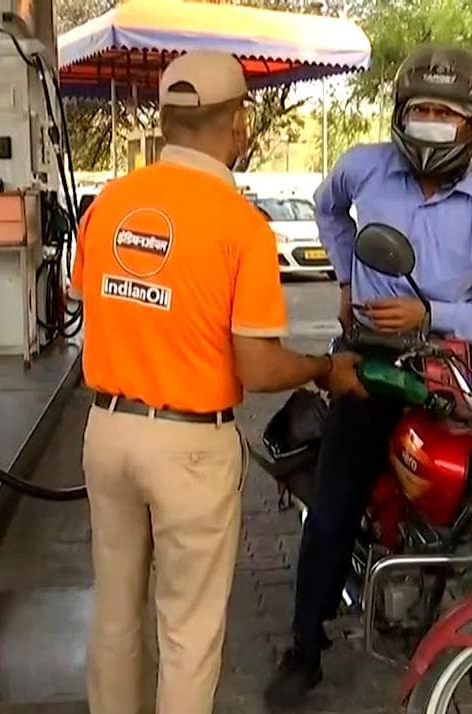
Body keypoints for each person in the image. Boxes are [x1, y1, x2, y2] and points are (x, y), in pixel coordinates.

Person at [70, 51, 366, 714]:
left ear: (168, 119)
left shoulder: (109, 204)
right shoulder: (240, 226)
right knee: (188, 632)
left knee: (115, 616)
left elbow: (95, 298)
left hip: (108, 433)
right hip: (189, 448)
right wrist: (323, 368)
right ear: (239, 122)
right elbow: (257, 368)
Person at [264, 43, 472, 710]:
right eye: (421, 110)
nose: (433, 121)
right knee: (334, 505)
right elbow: (327, 208)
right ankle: (303, 645)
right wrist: (348, 277)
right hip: (372, 361)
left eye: (449, 112)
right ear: (400, 115)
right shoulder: (362, 168)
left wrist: (431, 312)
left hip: (449, 365)